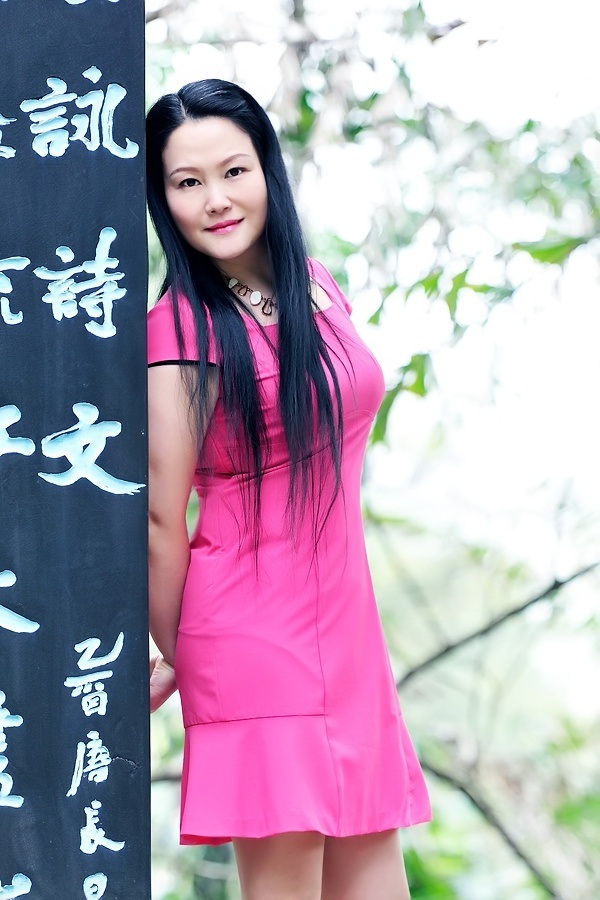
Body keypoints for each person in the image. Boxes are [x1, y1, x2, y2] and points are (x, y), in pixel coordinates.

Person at [145, 78, 431, 900]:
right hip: (253, 648)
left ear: (267, 169)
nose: (215, 199)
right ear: (164, 200)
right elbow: (160, 520)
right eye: (187, 182)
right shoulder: (179, 333)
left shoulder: (314, 285)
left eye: (233, 171)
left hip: (349, 641)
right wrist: (184, 656)